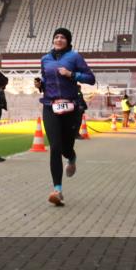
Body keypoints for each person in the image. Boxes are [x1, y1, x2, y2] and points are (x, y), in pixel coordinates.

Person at [33, 28, 95, 207]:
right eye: (56, 37)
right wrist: (40, 84)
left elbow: (90, 78)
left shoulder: (75, 57)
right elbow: (46, 81)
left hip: (70, 107)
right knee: (55, 147)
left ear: (68, 41)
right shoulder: (45, 59)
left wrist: (72, 74)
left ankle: (72, 158)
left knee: (67, 148)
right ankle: (57, 190)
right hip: (50, 105)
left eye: (62, 37)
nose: (59, 39)